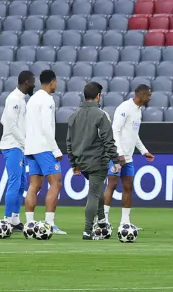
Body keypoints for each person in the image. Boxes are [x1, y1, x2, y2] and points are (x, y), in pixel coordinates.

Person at [67, 81, 122, 239]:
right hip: (97, 161)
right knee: (94, 193)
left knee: (97, 190)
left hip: (81, 161)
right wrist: (116, 161)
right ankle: (87, 230)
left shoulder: (73, 115)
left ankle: (103, 220)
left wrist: (74, 163)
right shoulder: (101, 115)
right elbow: (108, 140)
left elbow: (69, 142)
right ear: (98, 96)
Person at [22, 68, 65, 233]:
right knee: (56, 183)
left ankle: (30, 224)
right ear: (53, 81)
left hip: (31, 147)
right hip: (44, 147)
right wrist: (56, 150)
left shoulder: (32, 99)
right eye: (56, 82)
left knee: (34, 185)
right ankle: (49, 224)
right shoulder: (47, 100)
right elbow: (47, 127)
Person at [109, 83, 154, 231]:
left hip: (128, 158)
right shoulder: (124, 108)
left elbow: (135, 135)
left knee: (128, 187)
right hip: (116, 156)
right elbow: (115, 130)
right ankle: (104, 220)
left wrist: (143, 151)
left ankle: (125, 222)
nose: (150, 97)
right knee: (112, 185)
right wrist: (119, 152)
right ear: (140, 94)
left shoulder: (138, 111)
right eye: (148, 94)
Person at [0, 70, 35, 229]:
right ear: (26, 82)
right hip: (13, 146)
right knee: (14, 183)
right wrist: (26, 143)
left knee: (21, 183)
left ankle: (14, 218)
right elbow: (11, 125)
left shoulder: (20, 100)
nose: (34, 84)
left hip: (18, 146)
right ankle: (6, 219)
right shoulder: (14, 99)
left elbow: (2, 119)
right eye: (33, 81)